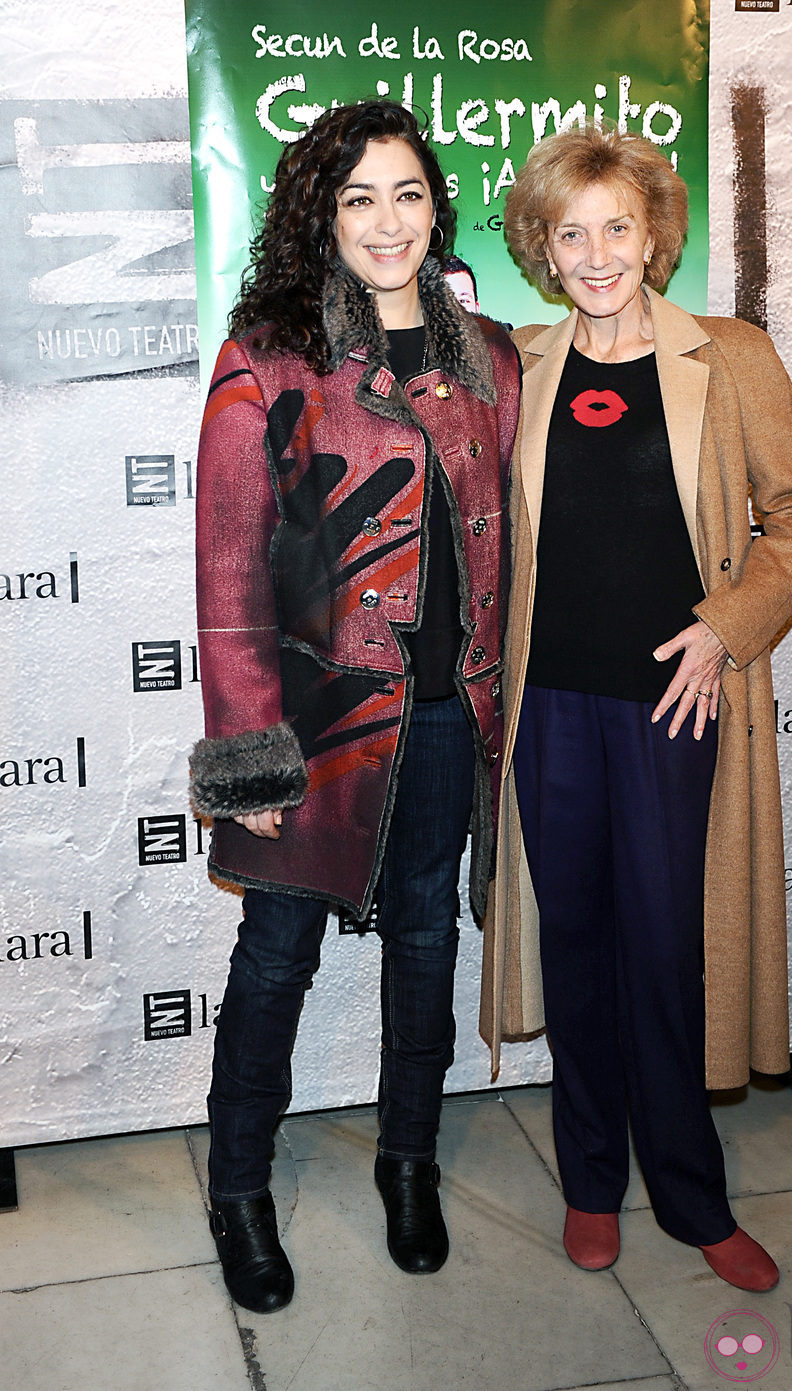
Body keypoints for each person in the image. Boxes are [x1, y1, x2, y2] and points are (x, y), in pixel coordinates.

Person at [480, 126, 792, 1291]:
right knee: (575, 940)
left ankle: (689, 1191)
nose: (594, 253)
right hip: (550, 709)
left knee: (669, 950)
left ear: (653, 237)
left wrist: (725, 627)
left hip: (677, 710)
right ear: (539, 245)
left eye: (616, 227)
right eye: (568, 230)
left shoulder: (728, 356)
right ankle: (591, 1178)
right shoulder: (515, 365)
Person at [189, 100, 520, 1314]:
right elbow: (228, 571)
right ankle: (236, 1187)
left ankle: (408, 1161)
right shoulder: (269, 355)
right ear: (320, 216)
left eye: (409, 194)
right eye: (358, 198)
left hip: (442, 716)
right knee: (274, 953)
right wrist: (252, 760)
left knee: (428, 938)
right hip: (314, 725)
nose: (388, 222)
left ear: (439, 208)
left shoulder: (492, 356)